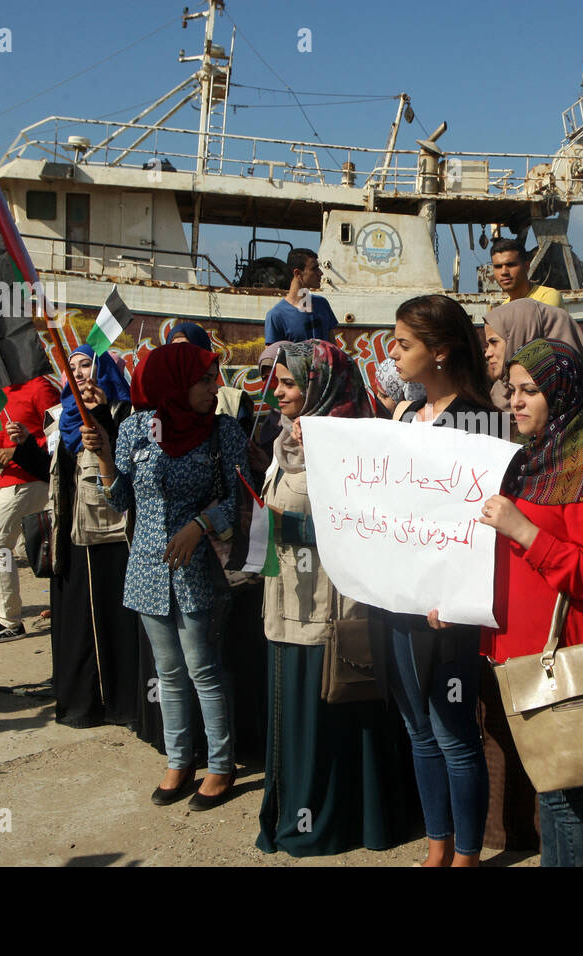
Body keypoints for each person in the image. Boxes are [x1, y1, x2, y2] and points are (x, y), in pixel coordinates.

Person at [256, 339, 407, 856]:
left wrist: (291, 527)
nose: (278, 393)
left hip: (329, 614)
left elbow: (365, 527)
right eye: (277, 383)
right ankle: (293, 811)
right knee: (294, 723)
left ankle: (333, 821)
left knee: (330, 716)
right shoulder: (286, 441)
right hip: (285, 605)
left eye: (290, 384)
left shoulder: (350, 448)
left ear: (320, 388)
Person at [480, 338, 583, 867]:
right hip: (519, 655)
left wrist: (522, 530)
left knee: (567, 800)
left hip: (566, 658)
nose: (515, 401)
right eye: (511, 390)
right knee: (551, 792)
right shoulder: (525, 465)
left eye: (530, 391)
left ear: (562, 396)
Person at [86, 341, 251, 810]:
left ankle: (221, 766)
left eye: (213, 377)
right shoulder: (137, 427)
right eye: (203, 380)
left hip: (200, 570)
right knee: (169, 672)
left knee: (203, 668)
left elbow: (241, 499)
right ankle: (179, 760)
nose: (213, 387)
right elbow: (120, 500)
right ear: (172, 383)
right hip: (146, 569)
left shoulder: (222, 433)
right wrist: (102, 456)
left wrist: (199, 527)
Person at [378, 293, 498, 866]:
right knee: (417, 728)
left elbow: (479, 523)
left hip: (447, 609)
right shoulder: (404, 416)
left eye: (404, 344)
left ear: (442, 351)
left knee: (454, 733)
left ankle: (469, 853)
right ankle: (437, 845)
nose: (393, 353)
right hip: (399, 598)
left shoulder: (480, 419)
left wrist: (454, 594)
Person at [9, 346, 139, 729]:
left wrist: (101, 418)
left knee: (114, 622)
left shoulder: (124, 414)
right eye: (74, 368)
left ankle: (121, 703)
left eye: (87, 366)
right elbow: (51, 473)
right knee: (78, 623)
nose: (80, 374)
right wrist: (22, 447)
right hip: (71, 537)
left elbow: (126, 465)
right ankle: (82, 704)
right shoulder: (59, 418)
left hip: (111, 538)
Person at [0, 374, 61, 645]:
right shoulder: (4, 392)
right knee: (22, 547)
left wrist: (20, 452)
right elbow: (5, 435)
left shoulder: (40, 386)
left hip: (30, 478)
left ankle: (9, 620)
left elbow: (57, 431)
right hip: (14, 477)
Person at [483, 298, 583, 431]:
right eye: (512, 390)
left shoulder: (574, 442)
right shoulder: (496, 396)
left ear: (521, 335)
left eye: (530, 391)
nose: (487, 353)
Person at [263, 248, 338, 344]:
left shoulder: (322, 304)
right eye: (314, 269)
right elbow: (271, 356)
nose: (321, 273)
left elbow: (333, 347)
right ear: (297, 273)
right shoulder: (276, 316)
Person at [490, 238, 563, 307]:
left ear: (527, 267)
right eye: (498, 267)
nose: (504, 272)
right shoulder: (504, 307)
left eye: (511, 265)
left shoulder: (548, 297)